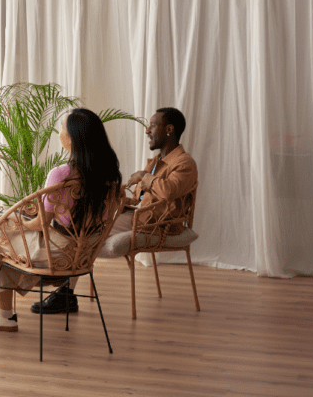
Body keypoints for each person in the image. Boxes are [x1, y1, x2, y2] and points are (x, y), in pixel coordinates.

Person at [0, 108, 122, 331]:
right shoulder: (110, 175)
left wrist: (24, 223)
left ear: (73, 136)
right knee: (1, 243)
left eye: (62, 127)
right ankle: (0, 314)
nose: (59, 132)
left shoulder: (61, 173)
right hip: (83, 254)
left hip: (56, 251)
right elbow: (79, 216)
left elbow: (41, 225)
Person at [32, 106, 198, 315]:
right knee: (82, 224)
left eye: (153, 125)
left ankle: (64, 290)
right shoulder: (156, 162)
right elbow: (140, 199)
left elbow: (168, 191)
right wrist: (114, 195)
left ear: (169, 129)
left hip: (157, 225)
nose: (147, 130)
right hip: (141, 216)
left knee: (83, 229)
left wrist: (143, 177)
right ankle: (65, 292)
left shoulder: (185, 163)